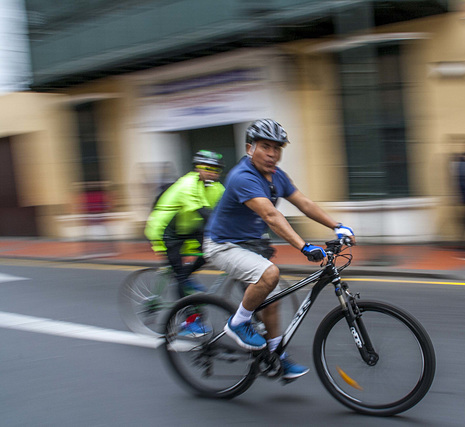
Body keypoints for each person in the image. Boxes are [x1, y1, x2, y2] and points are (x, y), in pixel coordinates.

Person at [202, 119, 355, 380]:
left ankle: (276, 358)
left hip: (250, 244)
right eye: (265, 147)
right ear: (250, 148)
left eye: (277, 148)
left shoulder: (277, 176)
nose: (272, 154)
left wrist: (337, 226)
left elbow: (303, 203)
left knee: (271, 298)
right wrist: (304, 246)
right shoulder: (243, 177)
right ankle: (237, 322)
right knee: (269, 275)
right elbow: (271, 215)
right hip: (223, 245)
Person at [144, 150, 225, 304]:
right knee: (180, 276)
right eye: (208, 168)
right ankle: (188, 321)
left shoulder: (216, 188)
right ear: (197, 168)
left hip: (188, 228)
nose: (213, 173)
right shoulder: (187, 184)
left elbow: (230, 207)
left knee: (209, 252)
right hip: (167, 230)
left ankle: (186, 278)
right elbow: (205, 214)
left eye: (217, 169)